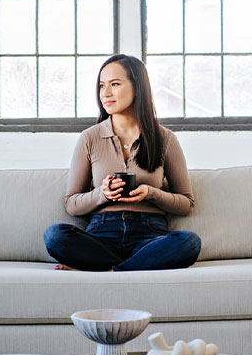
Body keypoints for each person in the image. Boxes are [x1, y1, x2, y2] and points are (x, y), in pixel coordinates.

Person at [44, 54, 201, 271]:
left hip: (149, 237)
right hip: (102, 235)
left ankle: (108, 270)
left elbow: (187, 204)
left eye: (115, 84)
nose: (105, 93)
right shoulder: (90, 138)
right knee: (55, 235)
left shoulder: (165, 139)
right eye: (101, 86)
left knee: (189, 242)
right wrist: (102, 193)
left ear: (137, 87)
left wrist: (151, 193)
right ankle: (128, 268)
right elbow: (71, 203)